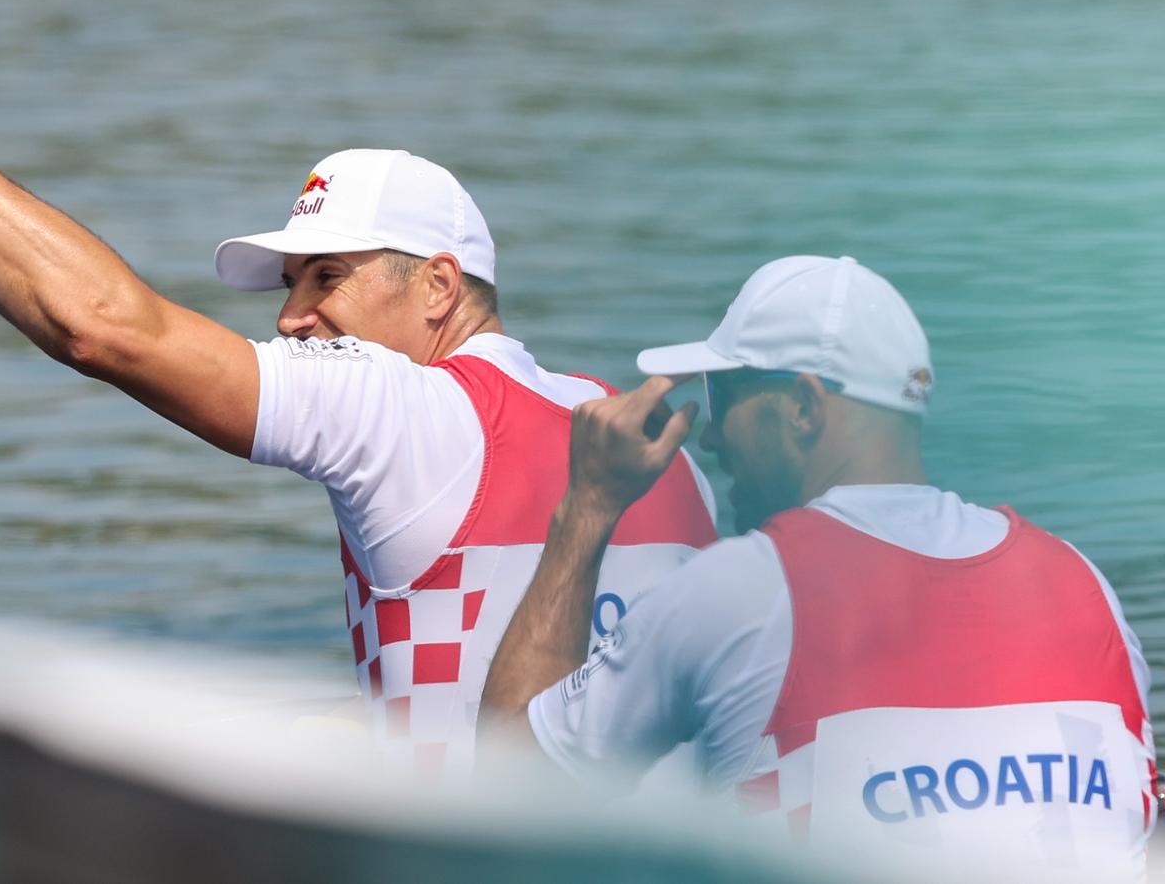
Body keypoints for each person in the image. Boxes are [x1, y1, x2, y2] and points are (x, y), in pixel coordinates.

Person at [0, 0, 717, 777]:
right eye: (290, 289)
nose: (292, 320)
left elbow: (101, 328)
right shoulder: (648, 445)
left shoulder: (397, 408)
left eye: (327, 278)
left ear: (439, 286)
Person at [480, 255, 1156, 876]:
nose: (711, 436)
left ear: (803, 407)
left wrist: (589, 505)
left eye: (723, 398)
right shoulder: (1081, 583)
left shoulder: (744, 589)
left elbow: (505, 787)